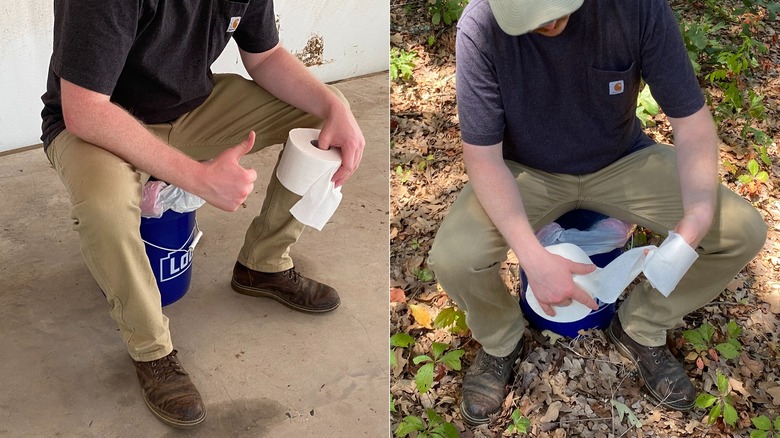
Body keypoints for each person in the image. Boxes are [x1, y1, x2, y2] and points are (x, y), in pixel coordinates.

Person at [427, 0, 767, 426]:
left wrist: (698, 213)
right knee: (456, 258)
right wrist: (532, 256)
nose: (548, 22)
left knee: (742, 230)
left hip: (621, 162)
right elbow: (483, 158)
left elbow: (692, 123)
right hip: (525, 171)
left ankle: (640, 326)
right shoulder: (480, 27)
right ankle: (501, 341)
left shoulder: (636, 8)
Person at [40, 0, 365, 429]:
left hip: (191, 109)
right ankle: (151, 351)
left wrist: (332, 105)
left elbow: (265, 57)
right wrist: (197, 177)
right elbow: (84, 110)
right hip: (96, 124)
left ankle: (262, 265)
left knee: (323, 113)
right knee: (104, 206)